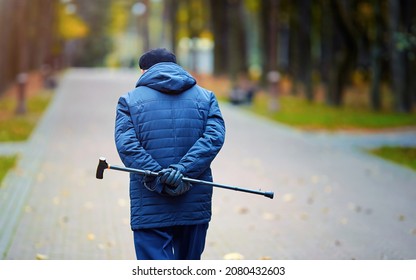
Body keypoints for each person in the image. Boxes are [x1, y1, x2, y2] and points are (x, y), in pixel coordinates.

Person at [114, 48, 226, 260]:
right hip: (193, 200)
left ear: (143, 71)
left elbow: (127, 145)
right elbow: (214, 138)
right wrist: (182, 172)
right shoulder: (206, 97)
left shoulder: (128, 100)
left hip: (149, 202)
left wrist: (158, 177)